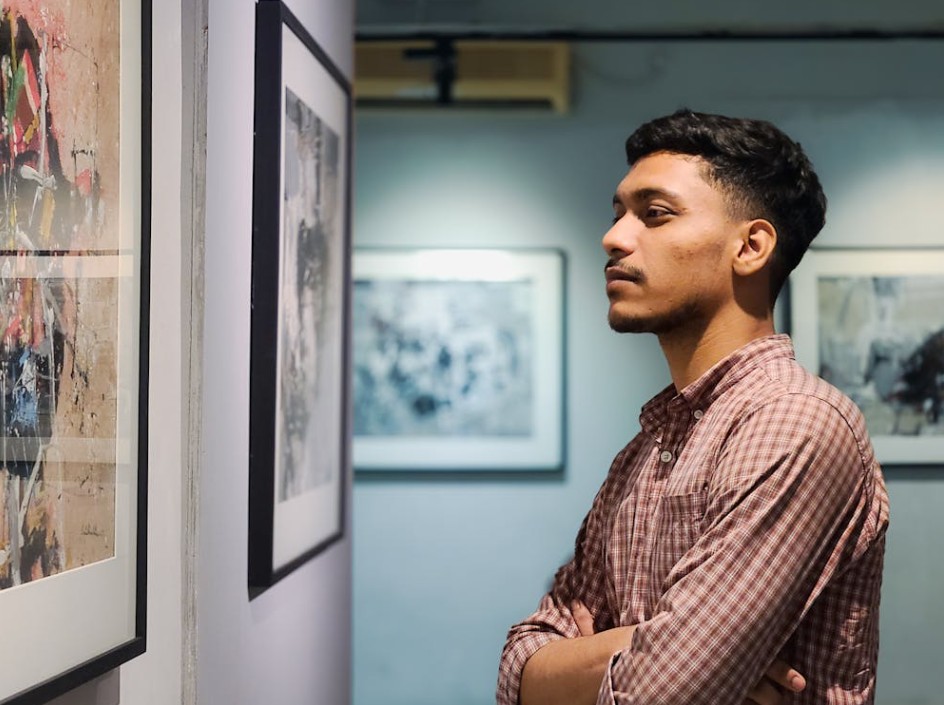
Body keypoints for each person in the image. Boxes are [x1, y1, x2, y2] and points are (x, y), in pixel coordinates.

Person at [496, 110, 889, 705]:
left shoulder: (793, 423)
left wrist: (598, 665)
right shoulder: (648, 447)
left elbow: (663, 694)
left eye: (655, 214)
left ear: (751, 247)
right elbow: (518, 667)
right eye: (618, 213)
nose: (614, 237)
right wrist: (642, 646)